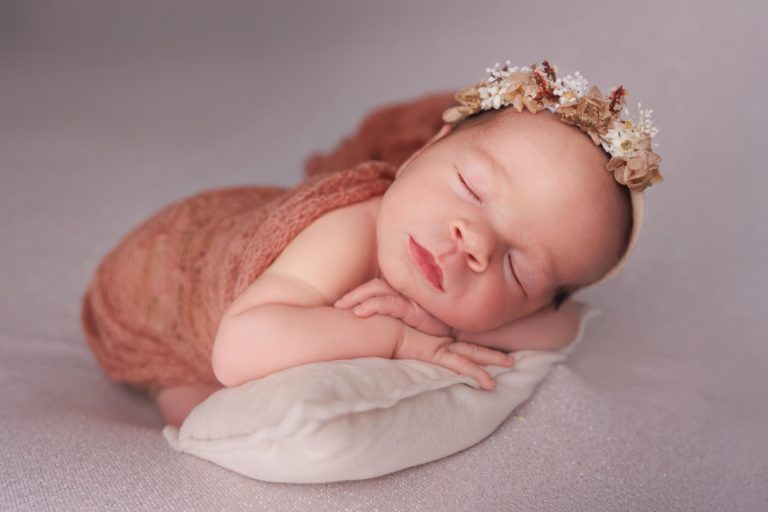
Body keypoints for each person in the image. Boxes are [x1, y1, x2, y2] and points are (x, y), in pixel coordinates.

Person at [84, 60, 663, 427]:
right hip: (168, 272)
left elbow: (563, 322)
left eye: (518, 269)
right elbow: (240, 346)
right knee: (204, 404)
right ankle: (173, 386)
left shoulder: (518, 300)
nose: (474, 243)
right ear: (422, 150)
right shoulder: (351, 230)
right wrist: (401, 338)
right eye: (470, 188)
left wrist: (446, 323)